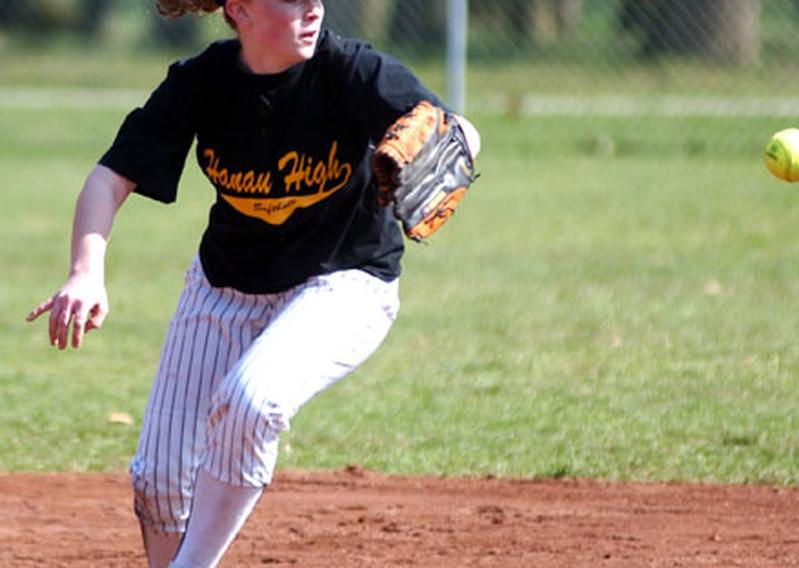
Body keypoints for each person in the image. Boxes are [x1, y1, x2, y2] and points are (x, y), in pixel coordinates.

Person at [25, 1, 481, 566]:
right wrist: (84, 271)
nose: (313, 7)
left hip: (344, 281)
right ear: (239, 9)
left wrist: (461, 139)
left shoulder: (350, 70)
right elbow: (109, 177)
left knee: (253, 401)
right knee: (160, 482)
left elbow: (454, 128)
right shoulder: (202, 82)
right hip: (224, 288)